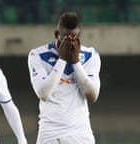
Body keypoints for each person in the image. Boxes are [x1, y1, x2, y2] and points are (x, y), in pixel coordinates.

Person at [28, 12, 101, 144]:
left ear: (79, 38)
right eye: (65, 39)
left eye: (74, 39)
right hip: (49, 134)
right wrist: (62, 59)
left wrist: (75, 62)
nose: (69, 43)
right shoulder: (38, 55)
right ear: (56, 35)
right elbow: (44, 94)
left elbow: (93, 96)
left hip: (80, 133)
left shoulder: (91, 55)